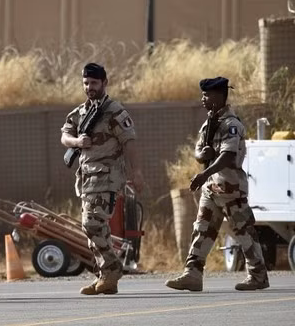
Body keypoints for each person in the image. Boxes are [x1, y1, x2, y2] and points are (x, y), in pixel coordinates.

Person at [165, 77, 269, 292]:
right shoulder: (209, 122)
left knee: (244, 232)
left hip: (230, 188)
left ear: (220, 96)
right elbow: (199, 150)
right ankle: (192, 275)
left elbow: (228, 157)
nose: (203, 99)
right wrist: (200, 155)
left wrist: (204, 173)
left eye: (207, 95)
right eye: (202, 95)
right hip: (211, 189)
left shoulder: (232, 125)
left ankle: (258, 275)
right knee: (201, 230)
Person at [60, 62, 144, 295]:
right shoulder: (81, 112)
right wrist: (77, 142)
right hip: (87, 179)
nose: (89, 87)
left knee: (92, 224)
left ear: (105, 83)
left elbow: (130, 142)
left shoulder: (114, 111)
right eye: (86, 83)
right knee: (92, 230)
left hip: (108, 177)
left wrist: (136, 172)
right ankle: (104, 276)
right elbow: (65, 135)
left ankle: (112, 268)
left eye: (94, 83)